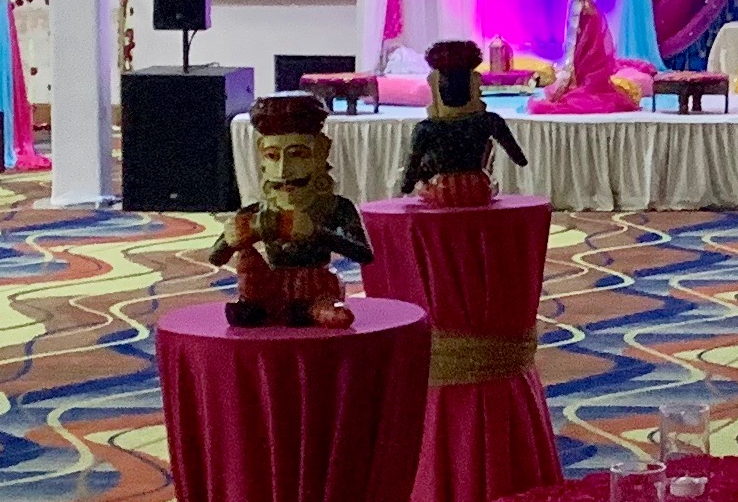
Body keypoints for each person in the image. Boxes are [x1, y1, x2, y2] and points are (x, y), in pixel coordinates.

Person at [212, 95, 371, 326]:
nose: (283, 170)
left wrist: (315, 232)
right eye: (272, 156)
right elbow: (215, 257)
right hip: (271, 286)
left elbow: (364, 254)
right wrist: (231, 240)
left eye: (297, 154)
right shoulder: (257, 210)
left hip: (317, 286)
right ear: (261, 155)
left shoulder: (336, 207)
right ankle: (271, 309)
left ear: (321, 151)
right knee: (246, 270)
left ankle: (304, 312)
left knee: (332, 315)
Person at [399, 38, 528, 204]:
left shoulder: (426, 128)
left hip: (441, 190)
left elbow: (409, 179)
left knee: (424, 188)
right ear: (474, 85)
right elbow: (519, 158)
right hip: (479, 188)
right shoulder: (489, 121)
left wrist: (410, 183)